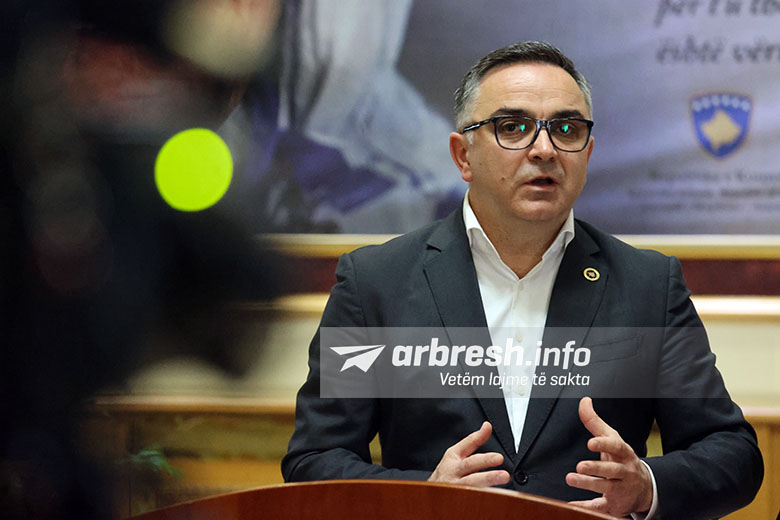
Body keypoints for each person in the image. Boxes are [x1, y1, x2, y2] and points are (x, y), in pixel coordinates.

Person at [281, 41, 763, 519]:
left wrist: (645, 487)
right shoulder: (374, 283)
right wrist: (422, 496)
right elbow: (315, 458)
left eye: (567, 129)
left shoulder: (648, 284)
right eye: (513, 127)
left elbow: (732, 453)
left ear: (588, 153)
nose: (544, 150)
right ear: (463, 155)